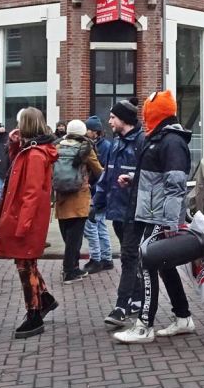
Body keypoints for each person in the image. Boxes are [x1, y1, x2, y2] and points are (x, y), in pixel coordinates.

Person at [114, 91, 194, 344]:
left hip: (158, 216)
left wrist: (170, 222)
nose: (144, 114)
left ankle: (144, 326)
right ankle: (183, 317)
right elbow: (156, 178)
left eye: (147, 110)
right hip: (151, 213)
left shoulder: (171, 141)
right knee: (164, 265)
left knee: (147, 262)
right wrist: (133, 180)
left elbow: (175, 184)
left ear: (155, 112)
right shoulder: (158, 138)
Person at [0, 108, 60, 338]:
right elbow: (16, 167)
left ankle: (34, 313)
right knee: (25, 262)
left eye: (19, 122)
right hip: (21, 216)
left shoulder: (35, 154)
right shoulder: (31, 151)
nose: (16, 126)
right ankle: (44, 299)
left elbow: (32, 193)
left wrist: (23, 225)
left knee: (25, 265)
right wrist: (14, 144)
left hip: (23, 217)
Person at [100, 100, 145, 328]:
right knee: (130, 256)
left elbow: (148, 176)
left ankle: (121, 306)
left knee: (128, 256)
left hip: (134, 210)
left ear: (124, 119)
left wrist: (132, 180)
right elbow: (107, 176)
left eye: (113, 117)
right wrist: (97, 203)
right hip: (117, 210)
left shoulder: (141, 142)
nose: (109, 121)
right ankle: (138, 298)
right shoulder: (115, 143)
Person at [55, 120, 103, 283]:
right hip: (79, 197)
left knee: (67, 236)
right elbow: (99, 171)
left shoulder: (57, 146)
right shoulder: (85, 148)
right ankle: (69, 271)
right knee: (75, 238)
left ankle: (73, 267)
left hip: (61, 197)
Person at [82, 116, 115, 275]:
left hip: (97, 193)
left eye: (88, 129)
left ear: (95, 131)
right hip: (99, 192)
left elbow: (104, 172)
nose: (86, 132)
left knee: (92, 225)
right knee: (100, 225)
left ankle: (96, 259)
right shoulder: (101, 145)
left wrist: (94, 186)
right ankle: (106, 258)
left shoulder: (104, 147)